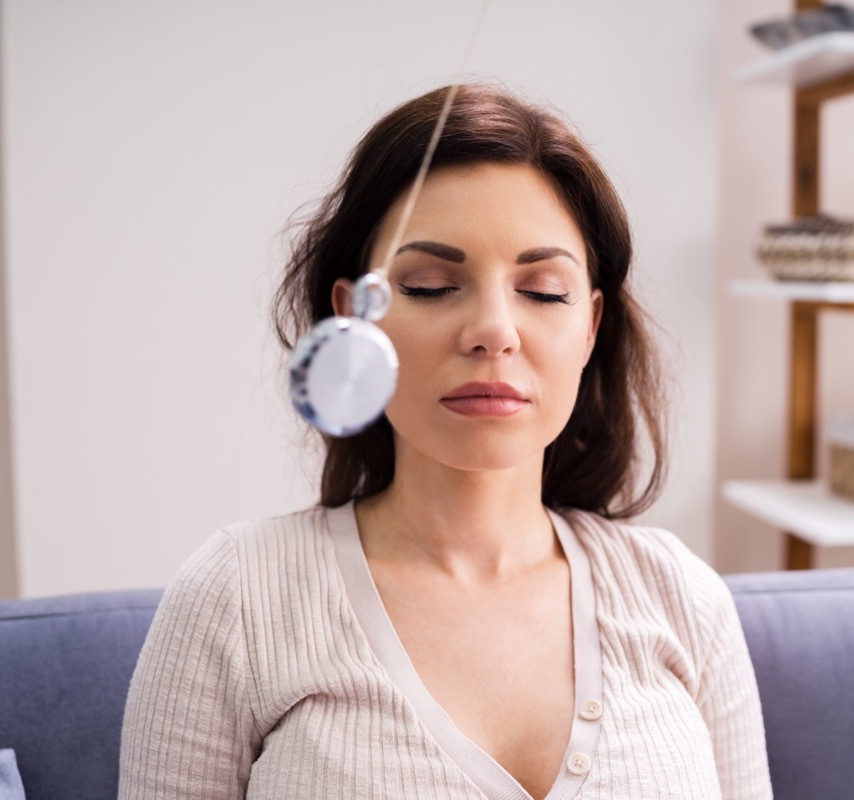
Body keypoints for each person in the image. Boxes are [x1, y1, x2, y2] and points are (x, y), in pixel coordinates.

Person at [119, 83, 772, 800]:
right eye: (431, 285)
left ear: (589, 327)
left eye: (543, 291)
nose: (494, 330)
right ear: (352, 318)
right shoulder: (237, 599)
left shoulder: (682, 598)